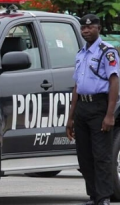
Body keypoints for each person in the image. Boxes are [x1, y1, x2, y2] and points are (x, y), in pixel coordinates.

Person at [66, 14, 119, 205]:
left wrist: (109, 114)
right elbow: (77, 86)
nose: (86, 31)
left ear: (98, 28)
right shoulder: (81, 53)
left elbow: (114, 82)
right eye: (83, 28)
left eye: (90, 27)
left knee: (101, 155)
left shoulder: (107, 52)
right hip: (82, 107)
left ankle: (104, 197)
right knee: (85, 156)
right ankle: (94, 196)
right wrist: (70, 118)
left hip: (99, 106)